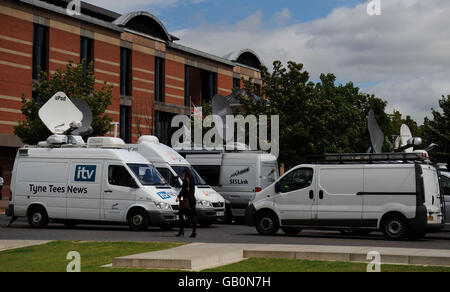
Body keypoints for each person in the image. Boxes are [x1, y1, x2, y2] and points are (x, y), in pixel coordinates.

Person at [176, 168, 197, 238]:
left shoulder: (185, 180)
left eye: (183, 173)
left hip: (186, 201)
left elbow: (183, 190)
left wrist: (178, 197)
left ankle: (181, 231)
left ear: (185, 173)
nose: (182, 174)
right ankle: (194, 232)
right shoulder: (192, 179)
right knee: (193, 216)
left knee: (180, 214)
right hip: (192, 200)